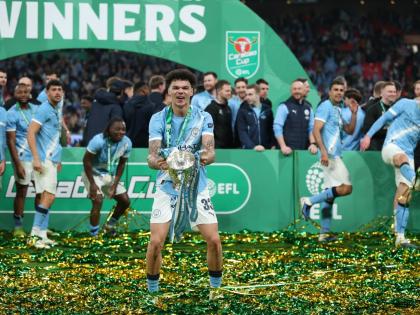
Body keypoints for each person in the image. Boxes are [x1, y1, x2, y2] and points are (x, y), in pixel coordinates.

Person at [146, 69, 223, 297]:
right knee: (156, 242)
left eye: (185, 88)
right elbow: (152, 155)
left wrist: (205, 157)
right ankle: (152, 291)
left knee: (215, 240)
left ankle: (215, 290)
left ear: (192, 91)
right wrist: (158, 162)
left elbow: (210, 150)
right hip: (167, 184)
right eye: (175, 88)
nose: (180, 92)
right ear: (168, 92)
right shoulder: (158, 119)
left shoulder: (204, 117)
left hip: (196, 183)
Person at [300, 79, 358, 243]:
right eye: (336, 90)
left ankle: (324, 233)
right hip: (330, 156)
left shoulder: (338, 109)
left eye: (341, 90)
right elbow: (316, 130)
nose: (339, 92)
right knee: (347, 188)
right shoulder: (325, 106)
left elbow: (349, 130)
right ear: (330, 91)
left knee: (330, 196)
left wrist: (353, 113)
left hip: (335, 155)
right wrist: (323, 152)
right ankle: (309, 201)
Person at [360, 98, 419, 248]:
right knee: (401, 158)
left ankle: (400, 238)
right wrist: (368, 135)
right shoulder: (406, 103)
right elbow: (384, 118)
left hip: (409, 156)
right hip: (391, 146)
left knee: (404, 195)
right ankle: (415, 180)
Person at [27, 79, 64, 249]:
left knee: (45, 197)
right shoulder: (43, 109)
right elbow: (31, 133)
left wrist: (59, 158)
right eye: (54, 89)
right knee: (49, 196)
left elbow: (53, 137)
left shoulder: (54, 110)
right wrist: (35, 158)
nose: (57, 92)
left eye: (60, 89)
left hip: (51, 160)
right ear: (47, 92)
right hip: (43, 159)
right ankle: (34, 235)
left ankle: (41, 235)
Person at [82, 117, 132, 236]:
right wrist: (93, 184)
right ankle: (94, 235)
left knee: (125, 201)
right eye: (117, 129)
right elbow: (86, 161)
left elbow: (122, 164)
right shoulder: (98, 140)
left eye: (123, 130)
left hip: (109, 175)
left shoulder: (127, 143)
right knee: (98, 200)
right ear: (109, 129)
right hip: (92, 174)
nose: (120, 132)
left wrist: (114, 184)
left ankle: (109, 226)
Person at [6, 84, 40, 237]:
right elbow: (11, 141)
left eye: (26, 92)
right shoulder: (11, 113)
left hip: (37, 157)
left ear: (30, 94)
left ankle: (39, 226)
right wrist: (17, 163)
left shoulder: (36, 110)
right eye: (20, 92)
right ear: (15, 94)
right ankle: (18, 226)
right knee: (22, 191)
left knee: (41, 190)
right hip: (22, 158)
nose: (23, 94)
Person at [273, 80, 317, 155]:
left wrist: (313, 144)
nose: (297, 91)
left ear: (303, 90)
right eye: (294, 89)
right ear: (291, 91)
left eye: (299, 89)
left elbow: (311, 128)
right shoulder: (284, 106)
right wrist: (283, 146)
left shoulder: (309, 108)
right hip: (286, 152)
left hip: (303, 152)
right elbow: (277, 127)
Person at [236, 84, 275, 151]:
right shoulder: (242, 111)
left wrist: (272, 144)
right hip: (249, 150)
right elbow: (242, 132)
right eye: (246, 95)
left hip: (266, 150)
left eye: (250, 94)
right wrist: (253, 147)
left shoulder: (267, 110)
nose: (247, 97)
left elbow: (271, 129)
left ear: (258, 94)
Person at [361, 82, 397, 151]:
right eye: (390, 92)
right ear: (382, 93)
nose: (393, 94)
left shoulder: (396, 108)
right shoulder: (372, 109)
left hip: (391, 147)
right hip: (376, 148)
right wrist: (388, 131)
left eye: (394, 92)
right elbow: (367, 130)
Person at [205, 80, 234, 148]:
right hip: (216, 149)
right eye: (227, 91)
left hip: (229, 149)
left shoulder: (228, 108)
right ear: (218, 91)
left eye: (230, 91)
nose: (229, 93)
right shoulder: (210, 108)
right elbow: (207, 130)